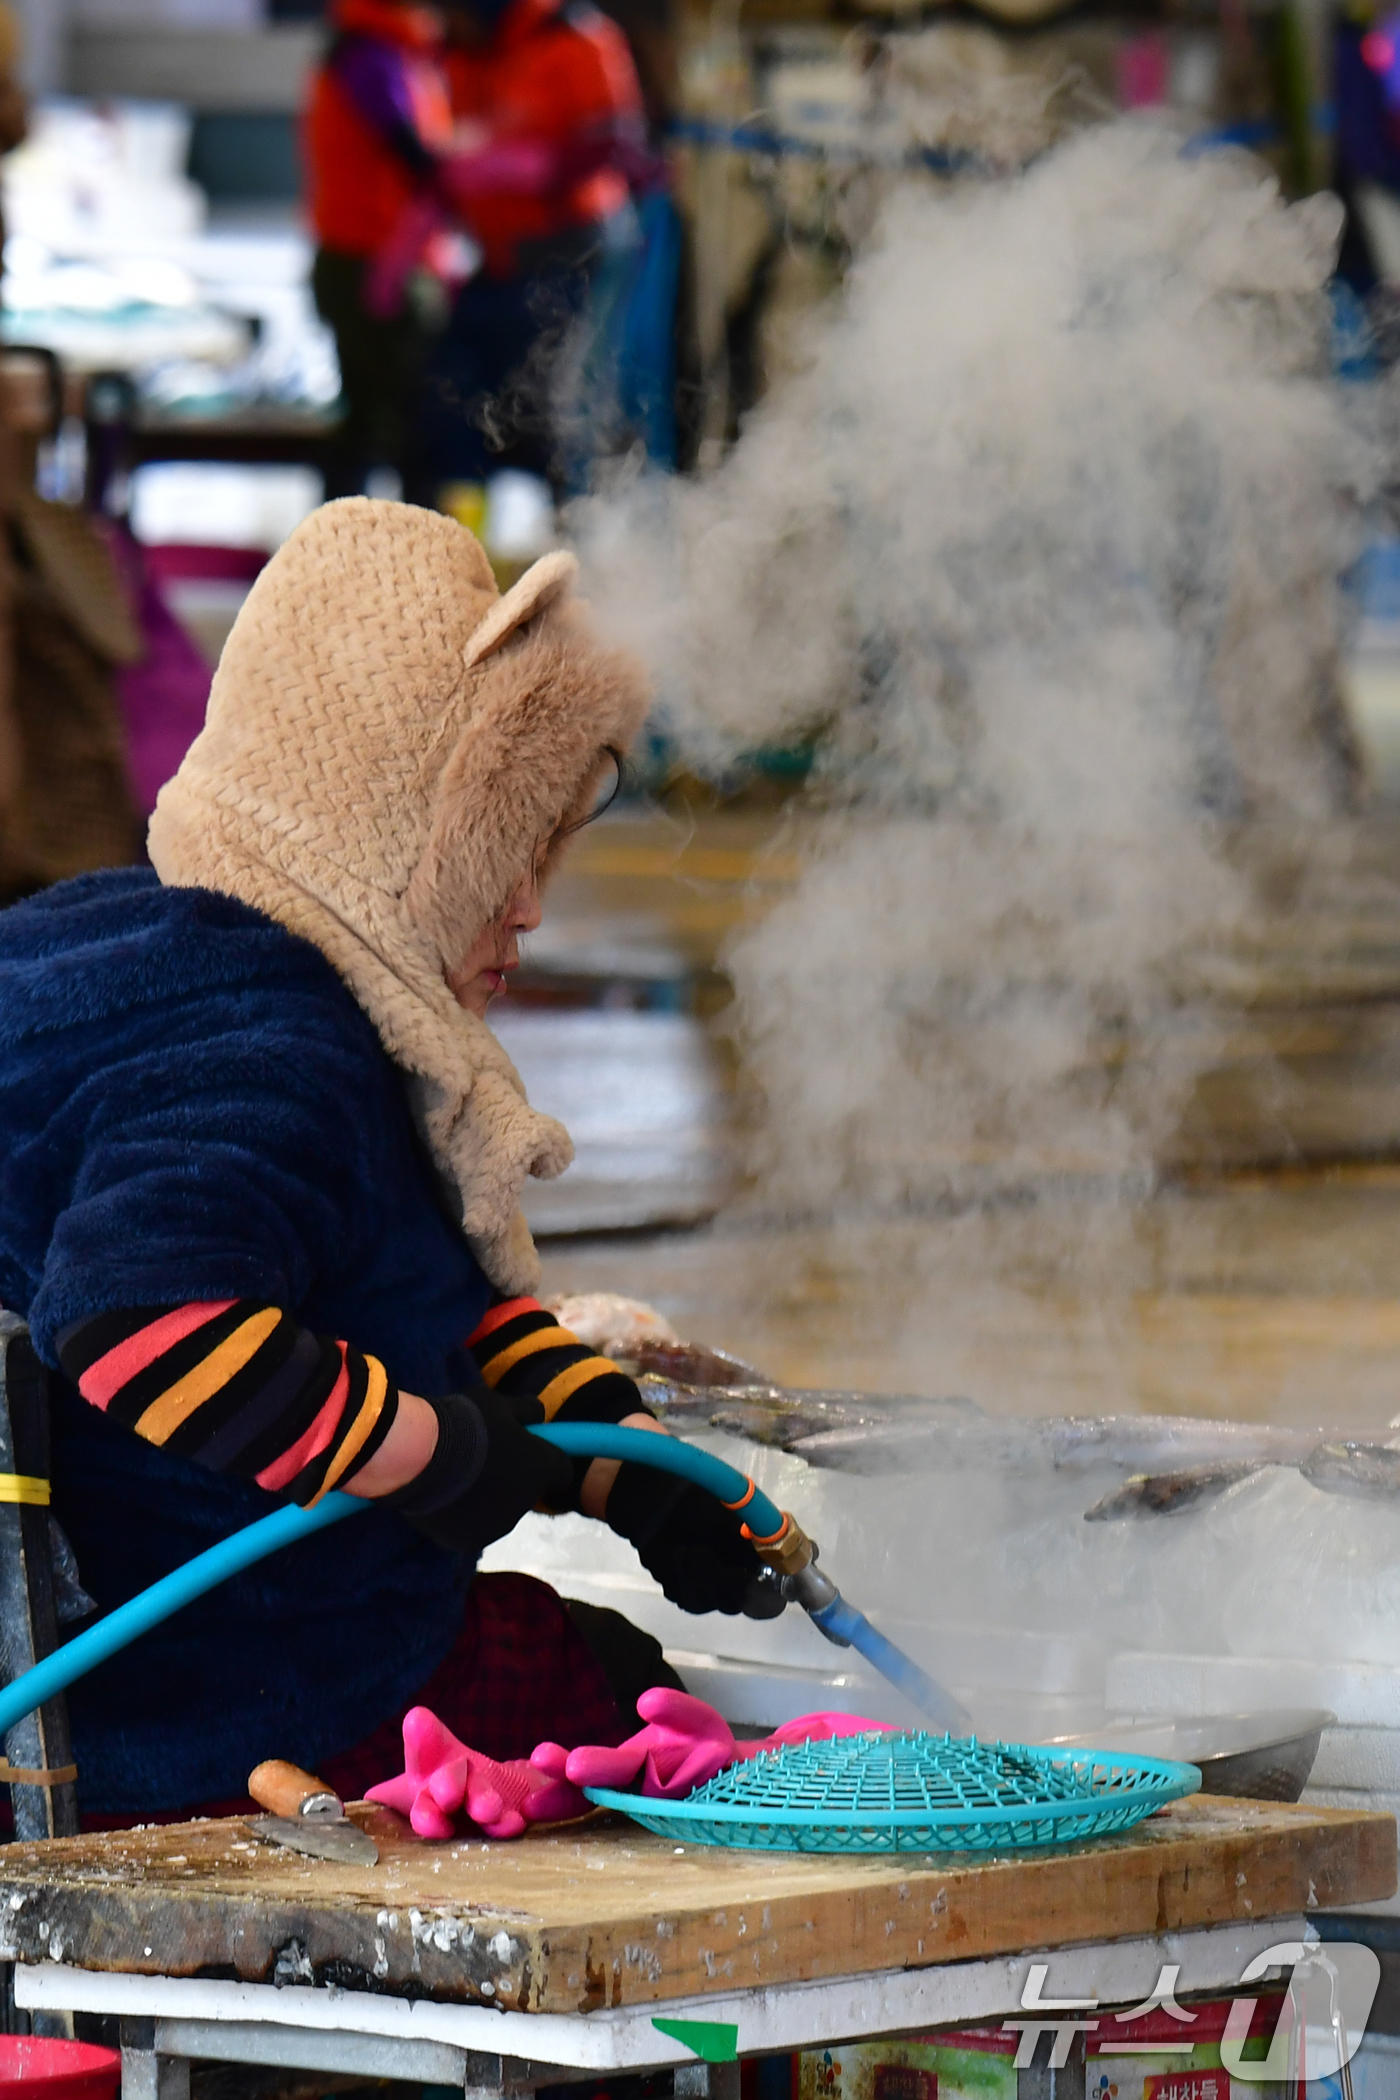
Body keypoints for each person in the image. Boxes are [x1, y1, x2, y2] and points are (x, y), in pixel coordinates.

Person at [0, 499, 781, 1821]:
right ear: (383, 830)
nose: (530, 907)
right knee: (618, 1697)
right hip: (202, 1713)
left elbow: (412, 1301)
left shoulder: (113, 943)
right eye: (504, 852)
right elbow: (133, 1322)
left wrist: (629, 1470)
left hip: (98, 1668)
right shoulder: (277, 1053)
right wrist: (432, 1453)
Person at [409, 0, 648, 501]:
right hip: (498, 261)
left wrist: (540, 169)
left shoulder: (574, 37)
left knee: (565, 414)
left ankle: (582, 540)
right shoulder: (462, 52)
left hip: (577, 257)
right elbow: (448, 145)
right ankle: (459, 543)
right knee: (453, 408)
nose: (445, 22)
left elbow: (619, 142)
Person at [304, 0, 455, 496]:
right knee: (392, 421)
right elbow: (412, 152)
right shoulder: (369, 56)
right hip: (370, 263)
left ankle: (359, 534)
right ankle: (366, 536)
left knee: (386, 418)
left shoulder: (398, 51)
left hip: (384, 257)